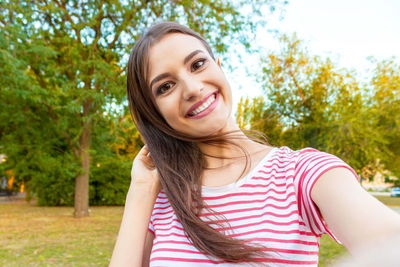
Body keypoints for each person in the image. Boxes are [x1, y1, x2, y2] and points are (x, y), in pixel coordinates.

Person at [110, 22, 400, 267]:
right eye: (165, 87)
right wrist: (140, 191)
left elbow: (388, 240)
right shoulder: (160, 201)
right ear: (154, 114)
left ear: (220, 66)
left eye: (197, 64)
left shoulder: (302, 173)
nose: (192, 88)